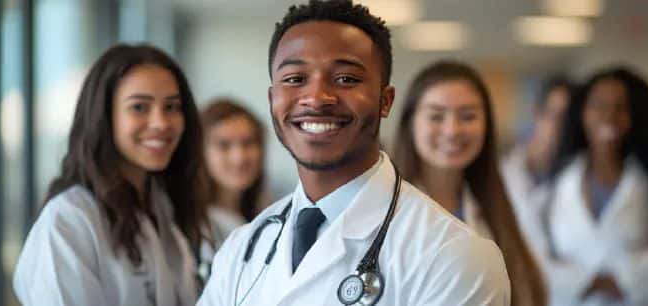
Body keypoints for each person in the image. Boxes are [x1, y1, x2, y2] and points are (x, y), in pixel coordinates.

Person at [196, 1, 510, 305]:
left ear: (385, 101)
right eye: (295, 79)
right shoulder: (242, 247)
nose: (317, 98)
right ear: (272, 99)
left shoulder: (454, 256)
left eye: (346, 79)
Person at [13, 44, 206, 306]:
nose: (161, 122)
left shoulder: (163, 207)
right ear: (104, 117)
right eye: (139, 107)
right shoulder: (68, 220)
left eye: (172, 107)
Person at [542, 67, 648, 306]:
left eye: (620, 108)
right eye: (599, 106)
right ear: (582, 113)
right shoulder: (558, 183)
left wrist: (628, 279)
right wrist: (585, 282)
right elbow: (531, 252)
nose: (609, 116)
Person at [391, 60, 545, 306]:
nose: (452, 130)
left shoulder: (496, 210)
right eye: (436, 116)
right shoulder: (387, 207)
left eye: (468, 116)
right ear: (410, 123)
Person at [500, 76, 575, 258]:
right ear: (536, 113)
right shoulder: (504, 174)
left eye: (569, 119)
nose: (561, 126)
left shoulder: (577, 176)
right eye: (555, 115)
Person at [196, 98, 267, 282]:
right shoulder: (194, 226)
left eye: (248, 143)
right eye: (224, 145)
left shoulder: (270, 213)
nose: (239, 157)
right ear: (199, 151)